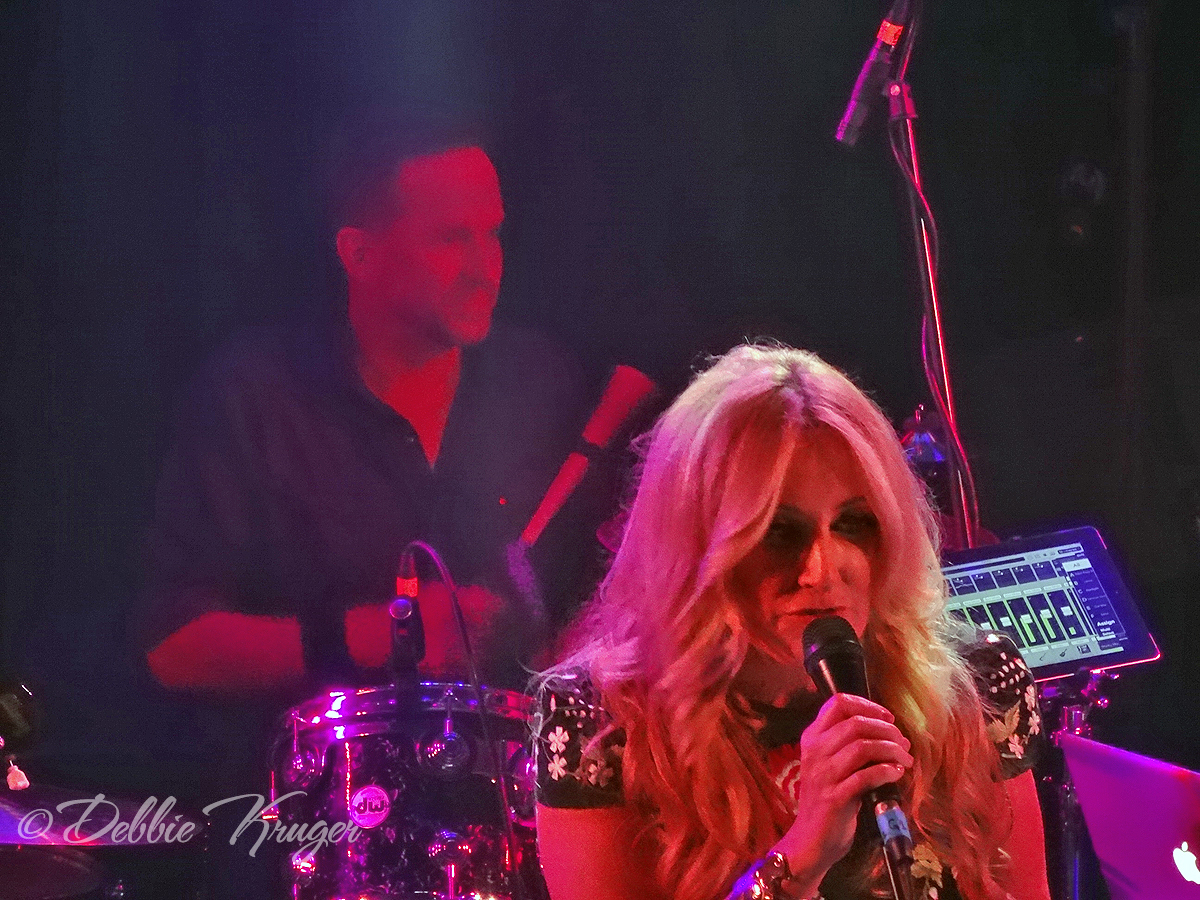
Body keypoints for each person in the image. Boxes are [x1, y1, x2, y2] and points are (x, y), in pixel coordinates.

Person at [533, 344, 1050, 900]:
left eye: (854, 523)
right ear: (698, 544)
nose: (822, 571)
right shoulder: (601, 721)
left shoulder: (976, 684)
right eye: (779, 532)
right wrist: (803, 854)